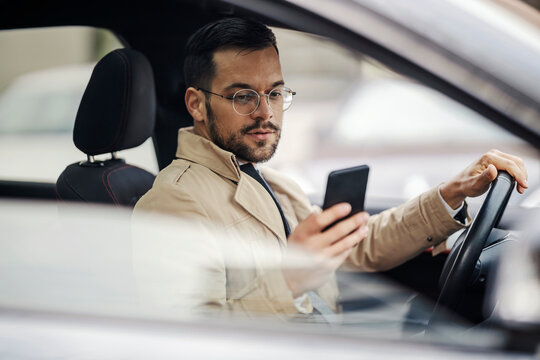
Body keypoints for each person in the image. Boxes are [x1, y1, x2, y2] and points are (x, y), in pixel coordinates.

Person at [133, 17, 528, 319]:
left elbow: (357, 247)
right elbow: (186, 336)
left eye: (274, 92)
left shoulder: (269, 181)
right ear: (196, 104)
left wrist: (451, 193)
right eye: (243, 97)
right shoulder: (172, 202)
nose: (265, 113)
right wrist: (289, 278)